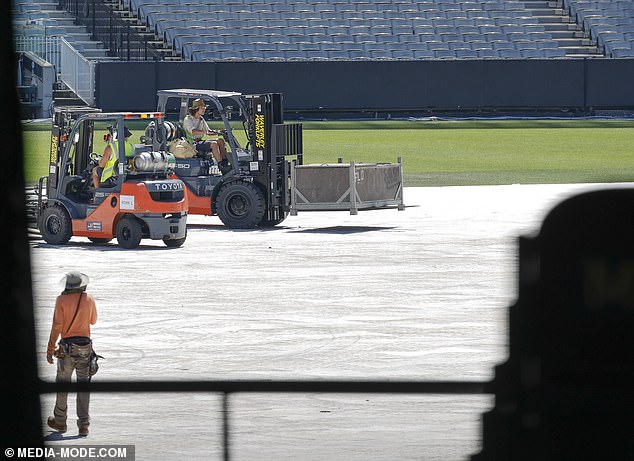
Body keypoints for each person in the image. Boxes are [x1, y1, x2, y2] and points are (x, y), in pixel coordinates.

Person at [46, 271, 98, 437]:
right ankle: (84, 425)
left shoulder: (61, 300)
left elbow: (56, 326)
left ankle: (60, 421)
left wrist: (49, 349)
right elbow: (93, 320)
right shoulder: (89, 298)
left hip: (66, 350)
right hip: (85, 349)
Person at [183, 98, 232, 174]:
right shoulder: (188, 119)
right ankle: (221, 166)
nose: (204, 109)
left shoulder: (201, 119)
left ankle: (224, 162)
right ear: (196, 109)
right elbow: (193, 132)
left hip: (199, 142)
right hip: (191, 144)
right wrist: (205, 132)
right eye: (203, 108)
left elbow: (208, 131)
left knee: (221, 141)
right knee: (214, 144)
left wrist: (219, 131)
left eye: (204, 108)